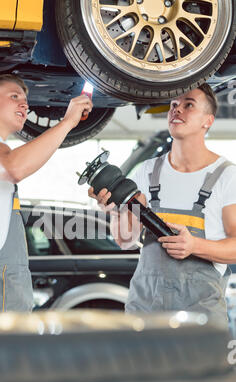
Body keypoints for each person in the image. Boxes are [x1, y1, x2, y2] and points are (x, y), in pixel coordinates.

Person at [0, 74, 93, 315]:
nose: (25, 105)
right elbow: (13, 167)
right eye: (14, 97)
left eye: (25, 100)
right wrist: (66, 123)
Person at [89, 84, 236, 319]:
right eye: (174, 105)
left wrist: (194, 246)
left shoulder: (227, 176)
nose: (177, 110)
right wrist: (115, 211)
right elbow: (126, 240)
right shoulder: (148, 171)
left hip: (199, 313)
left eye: (189, 105)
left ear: (207, 120)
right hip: (145, 308)